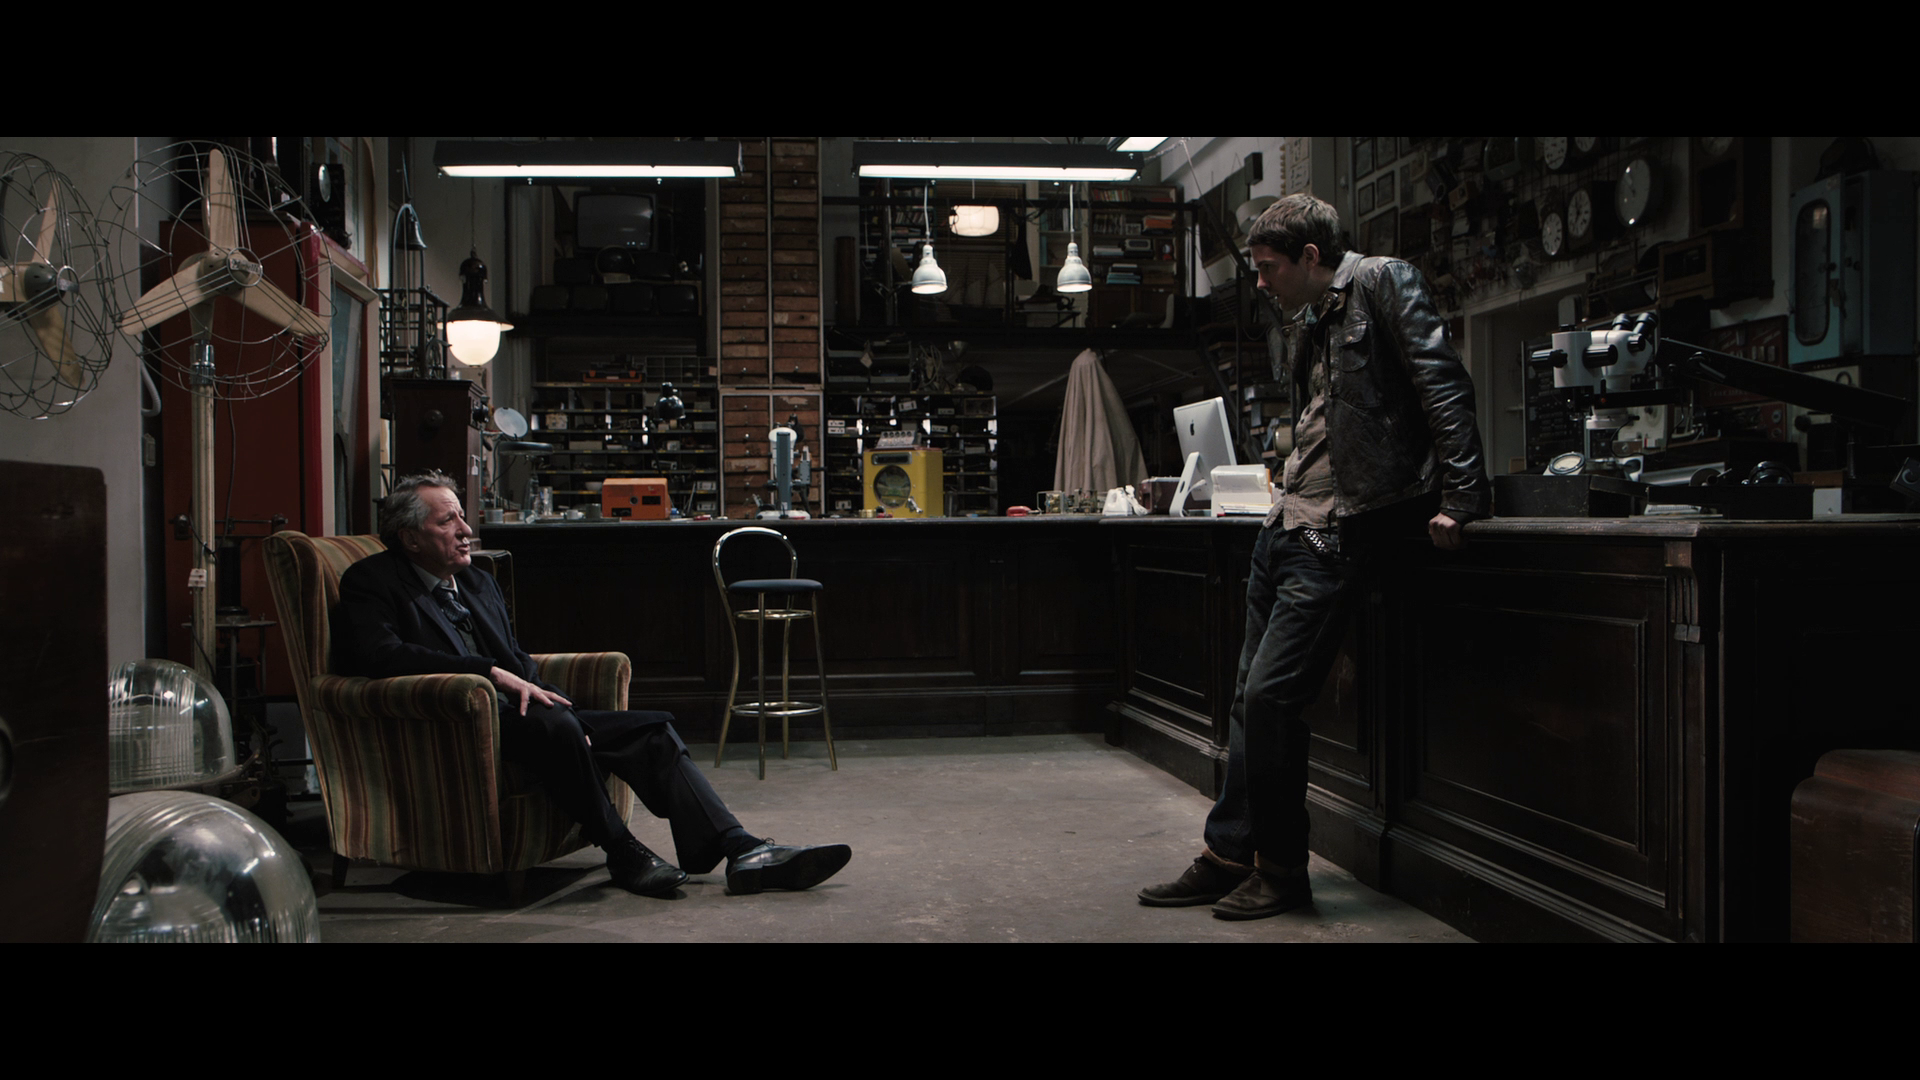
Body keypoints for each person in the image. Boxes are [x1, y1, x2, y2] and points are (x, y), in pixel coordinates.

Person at [1139, 194, 1489, 920]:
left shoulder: (1383, 280)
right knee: (1247, 701)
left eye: (1268, 267)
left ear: (1309, 256)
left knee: (1271, 700)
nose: (1260, 282)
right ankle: (1228, 854)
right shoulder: (1311, 317)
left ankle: (1282, 869)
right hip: (1286, 525)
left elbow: (1443, 386)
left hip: (1337, 531)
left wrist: (1462, 495)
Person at [332, 471, 851, 898]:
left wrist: (551, 701)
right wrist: (486, 673)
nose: (466, 529)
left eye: (462, 516)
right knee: (558, 727)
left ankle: (742, 850)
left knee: (651, 732)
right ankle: (621, 850)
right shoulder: (371, 581)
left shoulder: (475, 579)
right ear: (410, 537)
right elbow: (380, 656)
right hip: (458, 725)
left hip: (525, 715)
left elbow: (516, 656)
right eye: (448, 520)